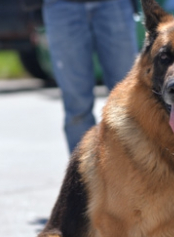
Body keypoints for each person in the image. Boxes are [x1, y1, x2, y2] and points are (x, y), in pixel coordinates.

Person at [43, 0, 138, 153]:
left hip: (114, 4)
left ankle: (134, 171)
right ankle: (81, 175)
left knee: (129, 101)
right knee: (77, 106)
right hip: (61, 6)